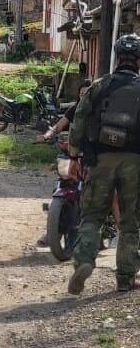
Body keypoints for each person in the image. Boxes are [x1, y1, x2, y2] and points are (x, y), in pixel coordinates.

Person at [67, 34, 140, 295]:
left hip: (100, 160)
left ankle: (84, 261)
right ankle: (125, 278)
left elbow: (78, 121)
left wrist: (74, 156)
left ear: (117, 57)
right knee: (131, 222)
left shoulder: (99, 86)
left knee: (92, 216)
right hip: (134, 162)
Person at [36, 80, 106, 248]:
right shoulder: (75, 109)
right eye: (81, 94)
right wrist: (47, 135)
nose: (84, 97)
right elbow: (58, 126)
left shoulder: (102, 111)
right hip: (75, 155)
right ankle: (54, 231)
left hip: (95, 157)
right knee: (63, 183)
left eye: (87, 94)